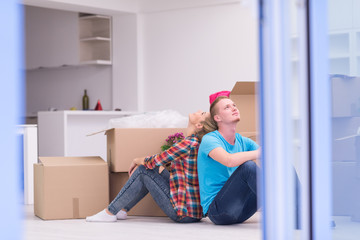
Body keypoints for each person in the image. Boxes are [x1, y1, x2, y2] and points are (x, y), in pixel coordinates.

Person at [86, 110, 210, 223]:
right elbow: (163, 161)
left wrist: (137, 160)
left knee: (143, 170)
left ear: (199, 125)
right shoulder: (193, 142)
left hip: (183, 213)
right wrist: (157, 166)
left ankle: (110, 211)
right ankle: (122, 210)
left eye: (202, 113)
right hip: (192, 211)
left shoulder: (189, 143)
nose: (199, 111)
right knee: (150, 168)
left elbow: (158, 159)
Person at [197, 96, 260, 225]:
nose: (233, 108)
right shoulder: (210, 139)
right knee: (248, 167)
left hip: (242, 210)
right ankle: (281, 210)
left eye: (234, 105)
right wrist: (259, 153)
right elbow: (229, 160)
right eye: (227, 107)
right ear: (217, 118)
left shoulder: (242, 140)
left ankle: (301, 214)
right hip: (219, 211)